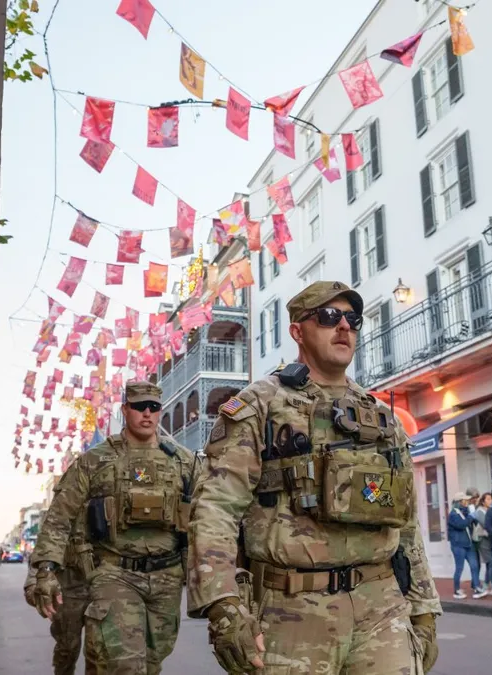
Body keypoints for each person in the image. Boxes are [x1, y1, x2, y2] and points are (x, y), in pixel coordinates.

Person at [186, 281, 442, 675]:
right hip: (290, 612)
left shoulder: (380, 416)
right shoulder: (259, 406)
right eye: (328, 317)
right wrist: (225, 608)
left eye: (352, 320)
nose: (344, 327)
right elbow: (214, 509)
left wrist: (423, 610)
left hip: (382, 605)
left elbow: (405, 520)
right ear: (297, 330)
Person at [30, 381, 197, 674]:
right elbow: (59, 517)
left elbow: (208, 518)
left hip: (167, 579)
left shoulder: (183, 462)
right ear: (125, 410)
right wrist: (44, 571)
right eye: (139, 407)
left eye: (154, 407)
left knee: (150, 664)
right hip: (114, 574)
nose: (147, 413)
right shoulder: (94, 461)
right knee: (125, 666)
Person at [24, 466, 95, 675]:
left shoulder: (105, 511)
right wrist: (35, 585)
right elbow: (43, 552)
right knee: (67, 647)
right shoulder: (56, 519)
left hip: (100, 590)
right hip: (67, 591)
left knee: (99, 651)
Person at [447, 493, 481, 599]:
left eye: (467, 500)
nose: (467, 502)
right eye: (465, 500)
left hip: (468, 544)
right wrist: (471, 516)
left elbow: (473, 523)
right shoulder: (453, 514)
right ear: (459, 502)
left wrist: (472, 516)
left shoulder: (466, 512)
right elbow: (461, 525)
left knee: (474, 566)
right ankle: (456, 590)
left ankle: (476, 586)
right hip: (458, 545)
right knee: (459, 568)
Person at [470, 493, 492, 598]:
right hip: (483, 539)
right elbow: (486, 524)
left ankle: (488, 583)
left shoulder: (490, 510)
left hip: (490, 539)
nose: (490, 501)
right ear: (483, 501)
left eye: (491, 499)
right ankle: (487, 584)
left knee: (490, 562)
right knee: (490, 561)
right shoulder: (480, 511)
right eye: (488, 499)